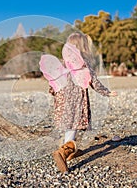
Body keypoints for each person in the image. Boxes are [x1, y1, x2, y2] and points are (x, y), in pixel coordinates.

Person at [39, 32, 117, 173]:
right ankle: (63, 152)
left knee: (70, 126)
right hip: (77, 101)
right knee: (74, 126)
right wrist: (108, 92)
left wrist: (53, 92)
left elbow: (53, 81)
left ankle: (70, 151)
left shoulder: (63, 64)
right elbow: (95, 82)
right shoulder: (83, 65)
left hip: (62, 101)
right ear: (83, 48)